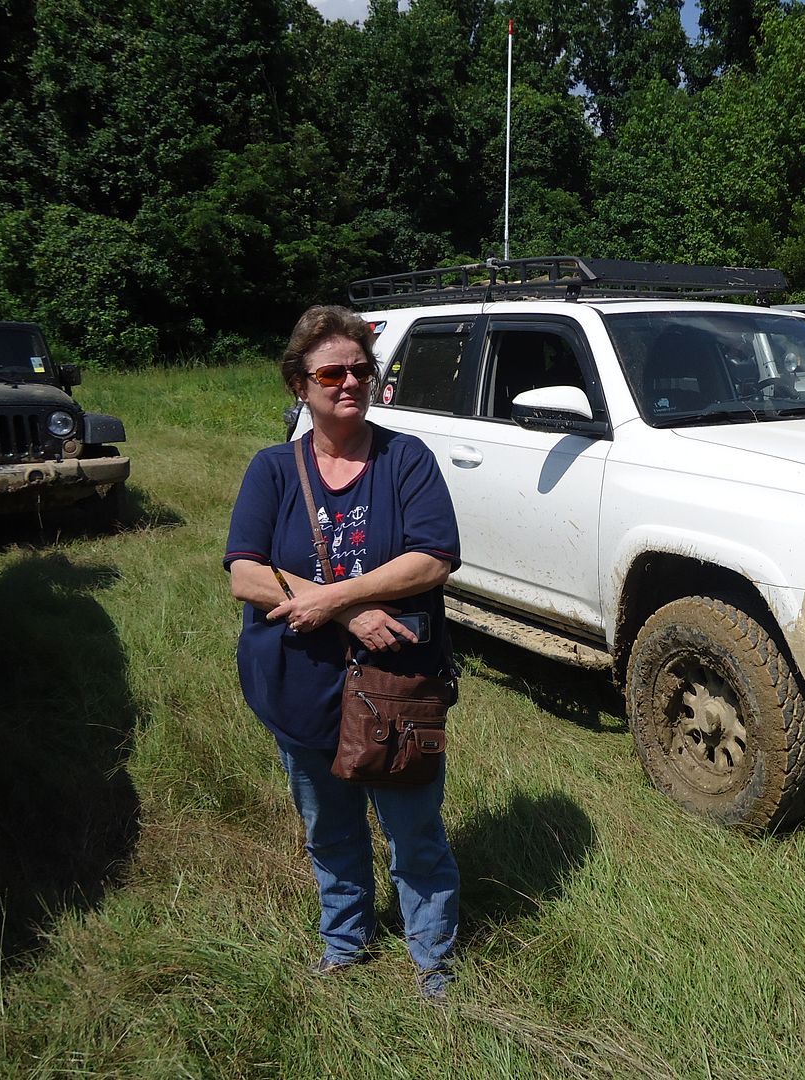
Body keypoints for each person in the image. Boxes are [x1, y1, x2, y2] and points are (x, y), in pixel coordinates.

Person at [224, 305, 461, 997]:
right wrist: (350, 610)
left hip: (397, 686)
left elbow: (433, 558)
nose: (350, 380)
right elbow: (245, 573)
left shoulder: (405, 459)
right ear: (300, 384)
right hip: (299, 683)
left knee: (414, 831)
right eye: (332, 370)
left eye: (361, 368)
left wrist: (330, 598)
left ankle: (432, 957)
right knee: (329, 828)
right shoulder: (272, 470)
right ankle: (346, 939)